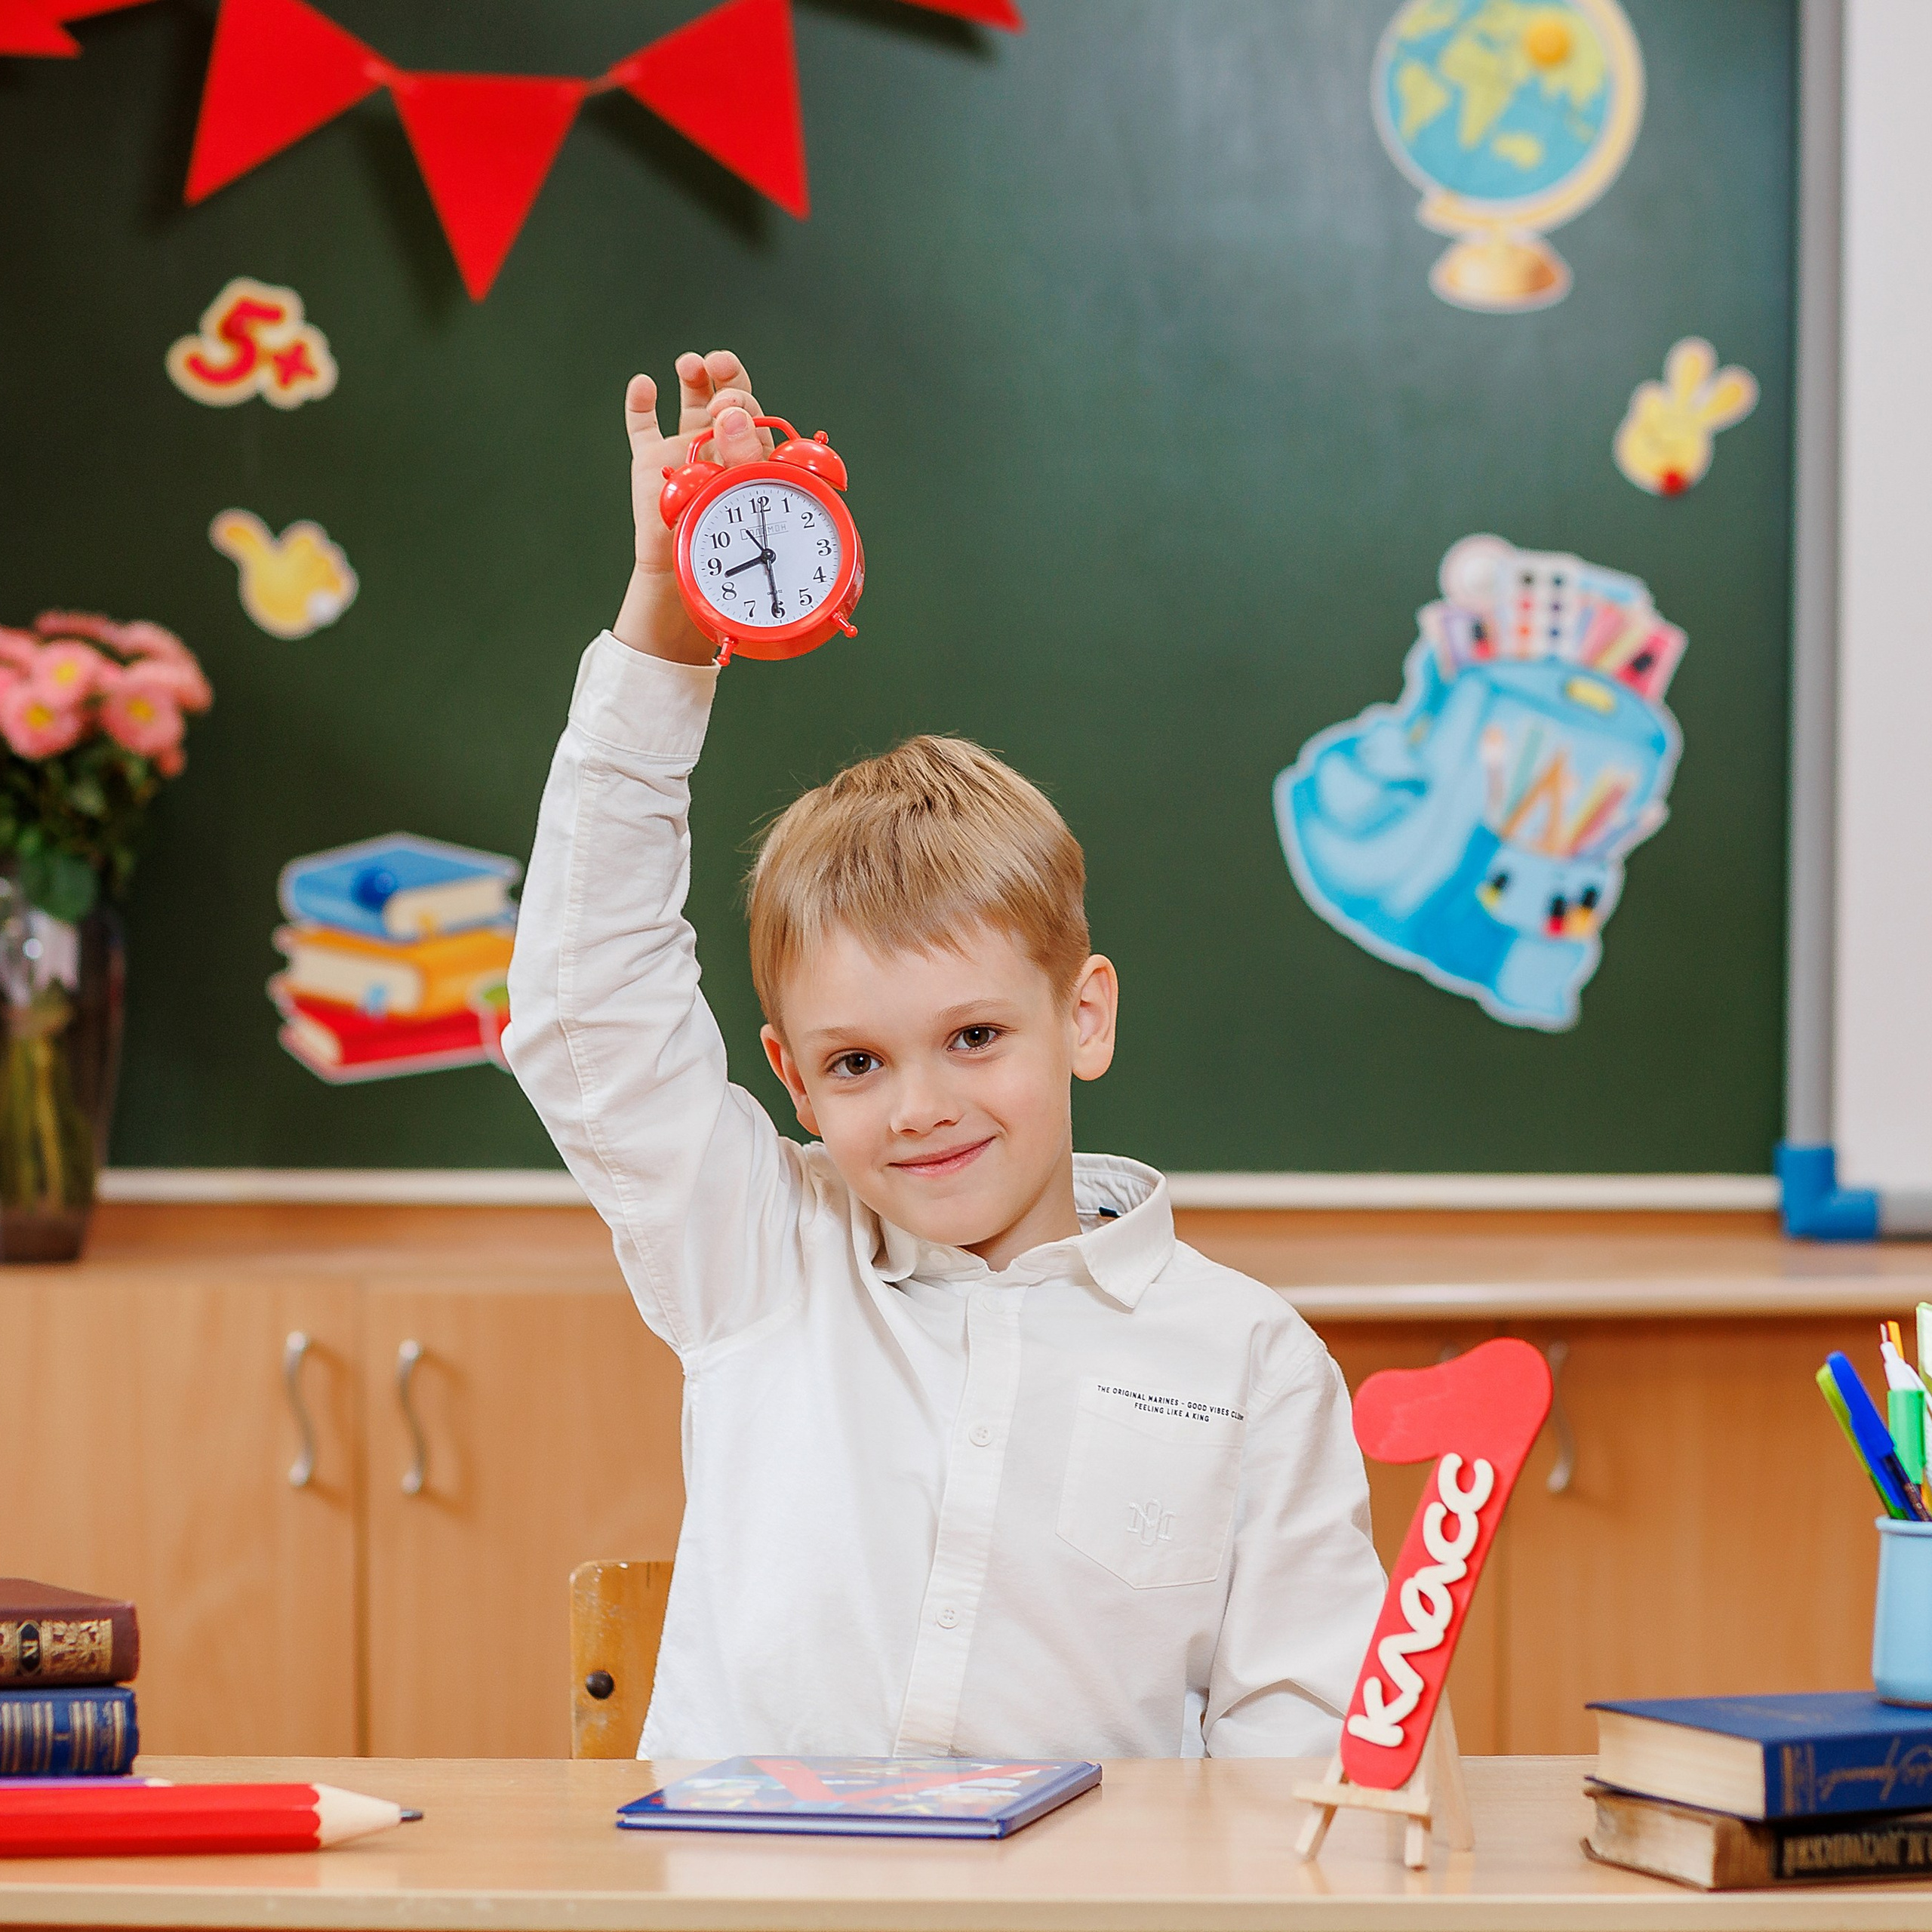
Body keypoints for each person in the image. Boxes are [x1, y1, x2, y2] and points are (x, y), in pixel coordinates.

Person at [506, 349, 1386, 1761]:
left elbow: (1302, 1753)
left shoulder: (1248, 1360)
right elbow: (582, 1008)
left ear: (1082, 1016)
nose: (921, 1108)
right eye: (855, 1065)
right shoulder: (759, 1259)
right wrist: (668, 627)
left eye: (974, 1037)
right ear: (789, 1079)